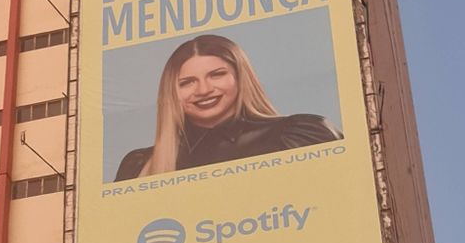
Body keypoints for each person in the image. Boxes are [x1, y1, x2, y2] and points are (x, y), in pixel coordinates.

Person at [115, 33, 342, 181]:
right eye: (187, 82)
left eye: (217, 75)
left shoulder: (300, 135)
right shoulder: (140, 166)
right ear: (171, 93)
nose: (203, 90)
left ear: (240, 78)